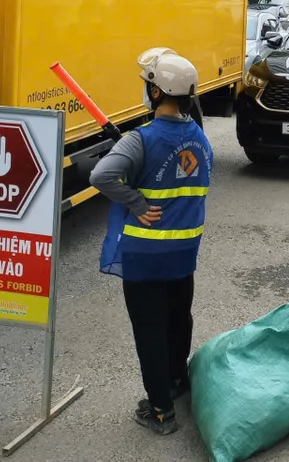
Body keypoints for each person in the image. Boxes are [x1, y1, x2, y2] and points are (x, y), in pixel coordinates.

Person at [90, 48, 212, 436]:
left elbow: (101, 176)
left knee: (150, 329)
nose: (145, 91)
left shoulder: (139, 140)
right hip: (184, 252)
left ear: (157, 93)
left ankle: (160, 410)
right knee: (179, 319)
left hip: (146, 255)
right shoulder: (198, 136)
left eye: (148, 85)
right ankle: (176, 381)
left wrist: (137, 203)